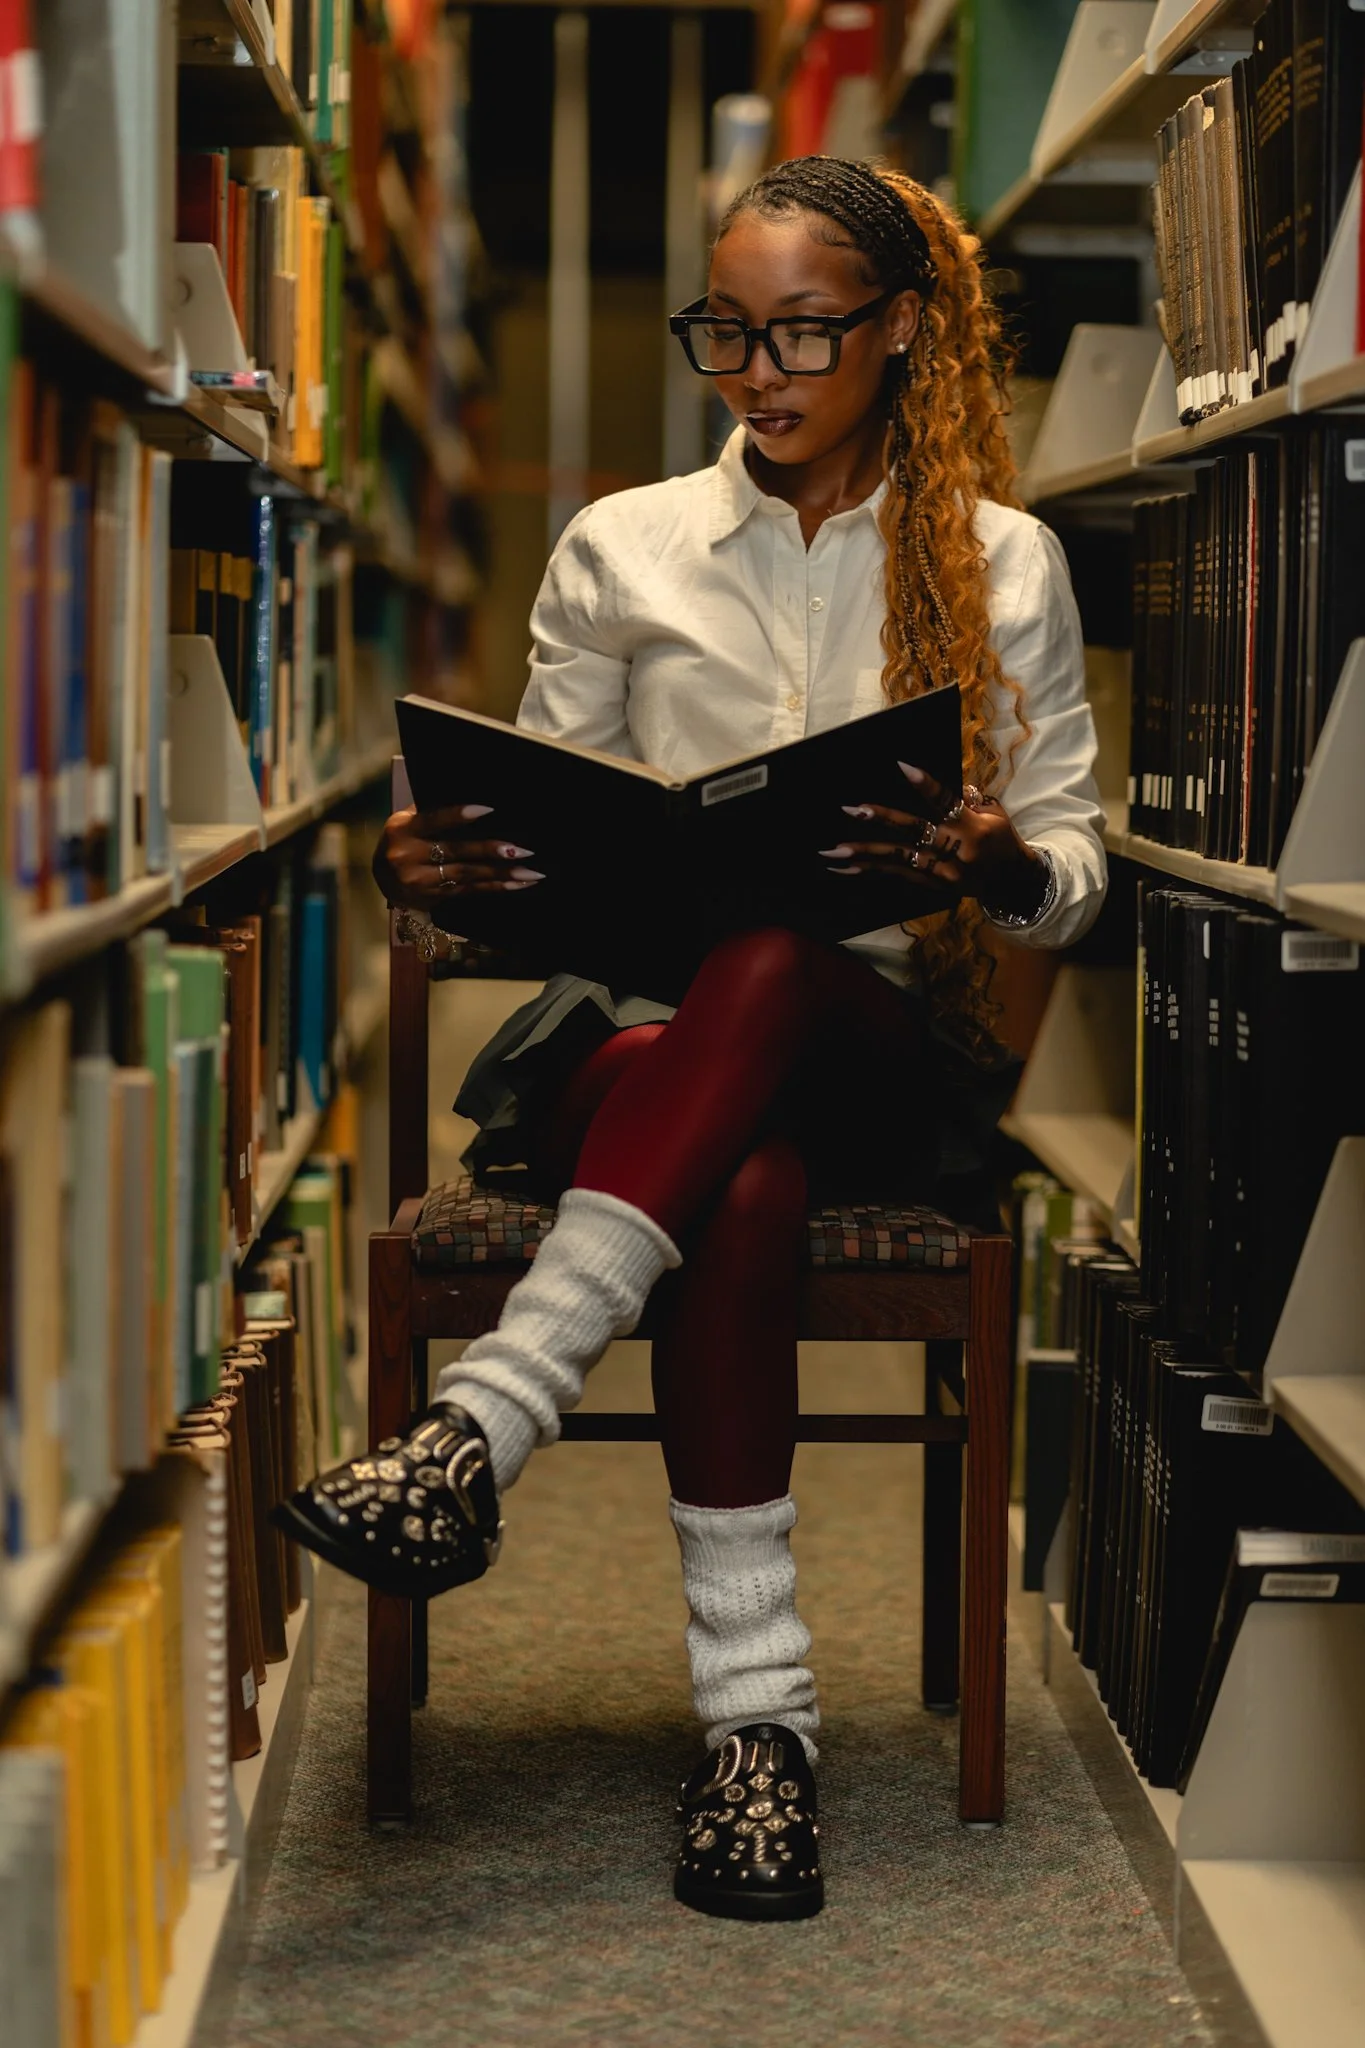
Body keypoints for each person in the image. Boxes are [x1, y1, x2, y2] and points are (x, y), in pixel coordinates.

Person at [278, 155, 1106, 1922]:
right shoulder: (622, 544)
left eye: (806, 330)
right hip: (629, 1049)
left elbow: (1080, 878)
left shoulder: (1001, 563)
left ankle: (479, 1422)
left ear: (902, 332)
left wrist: (1001, 859)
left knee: (786, 957)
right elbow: (539, 828)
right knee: (738, 1159)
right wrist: (434, 861)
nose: (761, 369)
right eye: (728, 330)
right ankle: (759, 1734)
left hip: (875, 1047)